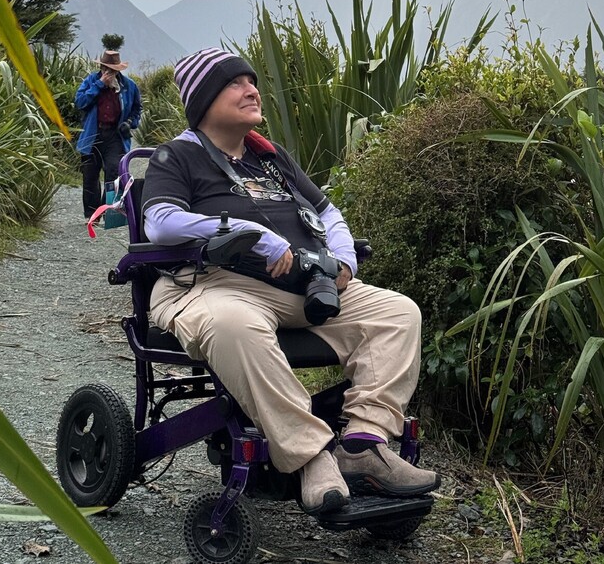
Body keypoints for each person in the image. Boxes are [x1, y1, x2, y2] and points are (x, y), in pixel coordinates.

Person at [141, 47, 440, 515]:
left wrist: (343, 261)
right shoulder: (176, 156)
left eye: (252, 80)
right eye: (235, 83)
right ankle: (309, 457)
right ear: (203, 100)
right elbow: (159, 222)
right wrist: (248, 233)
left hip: (303, 285)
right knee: (233, 326)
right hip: (213, 284)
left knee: (399, 313)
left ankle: (363, 445)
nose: (252, 89)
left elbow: (326, 211)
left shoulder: (270, 157)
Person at [75, 50, 142, 220]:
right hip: (93, 133)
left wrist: (130, 123)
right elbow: (80, 102)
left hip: (115, 135)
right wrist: (99, 85)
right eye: (106, 69)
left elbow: (136, 109)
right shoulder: (91, 81)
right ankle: (91, 215)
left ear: (118, 70)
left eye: (112, 70)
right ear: (101, 67)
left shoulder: (129, 86)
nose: (109, 73)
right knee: (90, 175)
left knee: (114, 172)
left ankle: (107, 212)